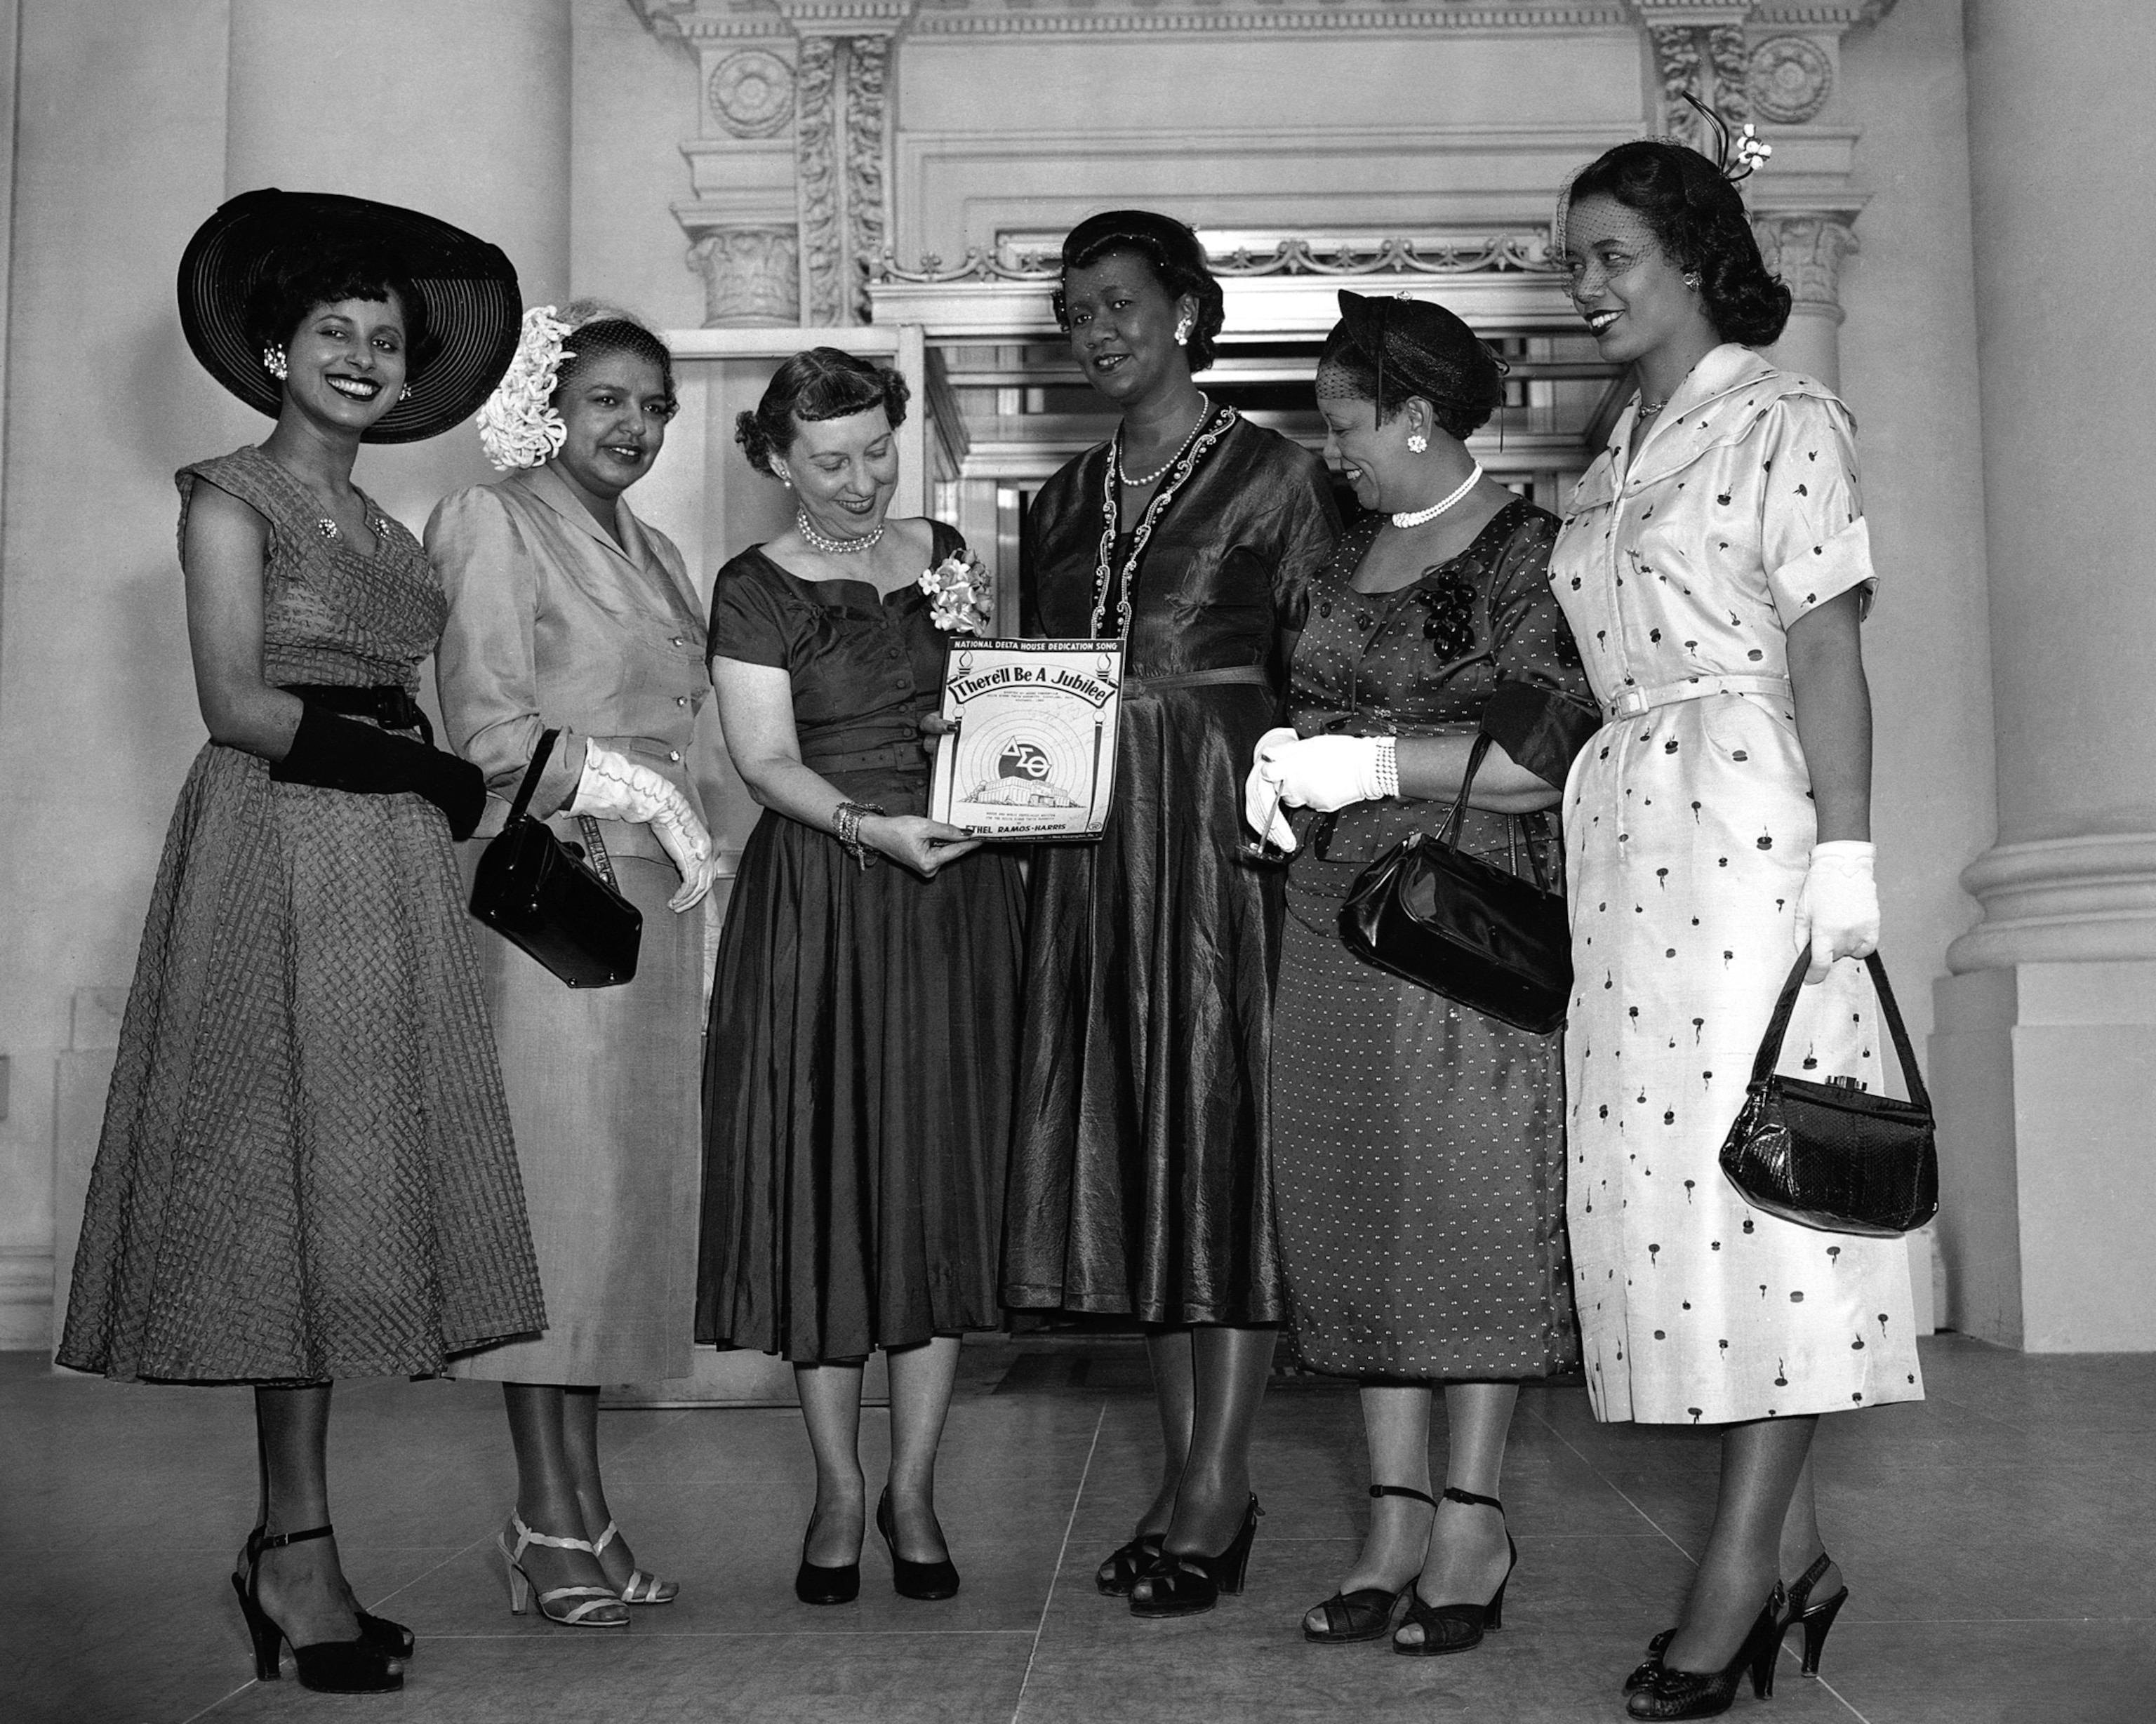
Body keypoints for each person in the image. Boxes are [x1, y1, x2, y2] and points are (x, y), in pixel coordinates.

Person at [56, 190, 540, 1695]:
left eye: (382, 341)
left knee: (349, 1192)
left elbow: (429, 705)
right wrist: (427, 767)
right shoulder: (227, 495)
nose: (358, 355)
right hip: (276, 844)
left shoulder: (391, 526)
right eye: (332, 331)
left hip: (387, 867)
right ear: (276, 350)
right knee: (277, 1193)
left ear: (407, 381)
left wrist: (467, 779)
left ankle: (297, 1546)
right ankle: (298, 1549)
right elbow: (239, 704)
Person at [1549, 129, 1923, 1718]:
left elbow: (1827, 648)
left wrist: (1847, 856)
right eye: (1575, 262)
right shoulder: (1614, 444)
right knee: (1680, 1208)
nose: (1587, 287)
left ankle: (1736, 1571)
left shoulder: (1785, 414)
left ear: (1697, 254)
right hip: (1629, 834)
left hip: (1751, 825)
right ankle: (1802, 1546)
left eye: (1612, 254)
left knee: (1765, 1196)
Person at [1244, 290, 1599, 1655]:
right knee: (1357, 1207)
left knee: (1463, 1207)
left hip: (1463, 913)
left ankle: (1470, 1516)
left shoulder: (1531, 550)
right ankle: (1391, 1516)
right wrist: (1286, 767)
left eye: (1346, 425)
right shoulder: (1345, 549)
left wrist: (1377, 762)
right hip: (1333, 909)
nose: (1331, 450)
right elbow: (1316, 697)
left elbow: (1539, 748)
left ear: (1418, 417)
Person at [1001, 210, 1340, 1618]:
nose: (1098, 328)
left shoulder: (1286, 476)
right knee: (1139, 1139)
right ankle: (1191, 1468)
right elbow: (1036, 693)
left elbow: (1329, 675)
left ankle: (1217, 1479)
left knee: (1225, 1132)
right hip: (1093, 848)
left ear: (1191, 310)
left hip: (1226, 833)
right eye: (1077, 308)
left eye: (1123, 302)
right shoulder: (1060, 499)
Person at [697, 348, 1025, 1606]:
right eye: (829, 460)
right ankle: (839, 1485)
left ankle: (915, 1485)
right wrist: (869, 827)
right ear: (777, 458)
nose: (860, 480)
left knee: (935, 1180)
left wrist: (988, 749)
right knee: (832, 1180)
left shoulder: (944, 549)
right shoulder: (753, 588)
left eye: (878, 449)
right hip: (830, 896)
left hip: (952, 901)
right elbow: (765, 760)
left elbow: (993, 697)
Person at [429, 304, 719, 1629]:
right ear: (555, 400)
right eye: (608, 399)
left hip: (645, 904)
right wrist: (632, 790)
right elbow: (484, 722)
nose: (635, 427)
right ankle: (547, 1516)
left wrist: (679, 818)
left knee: (611, 1217)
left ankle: (582, 1508)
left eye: (654, 406)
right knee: (551, 1211)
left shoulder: (657, 551)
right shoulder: (490, 518)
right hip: (547, 894)